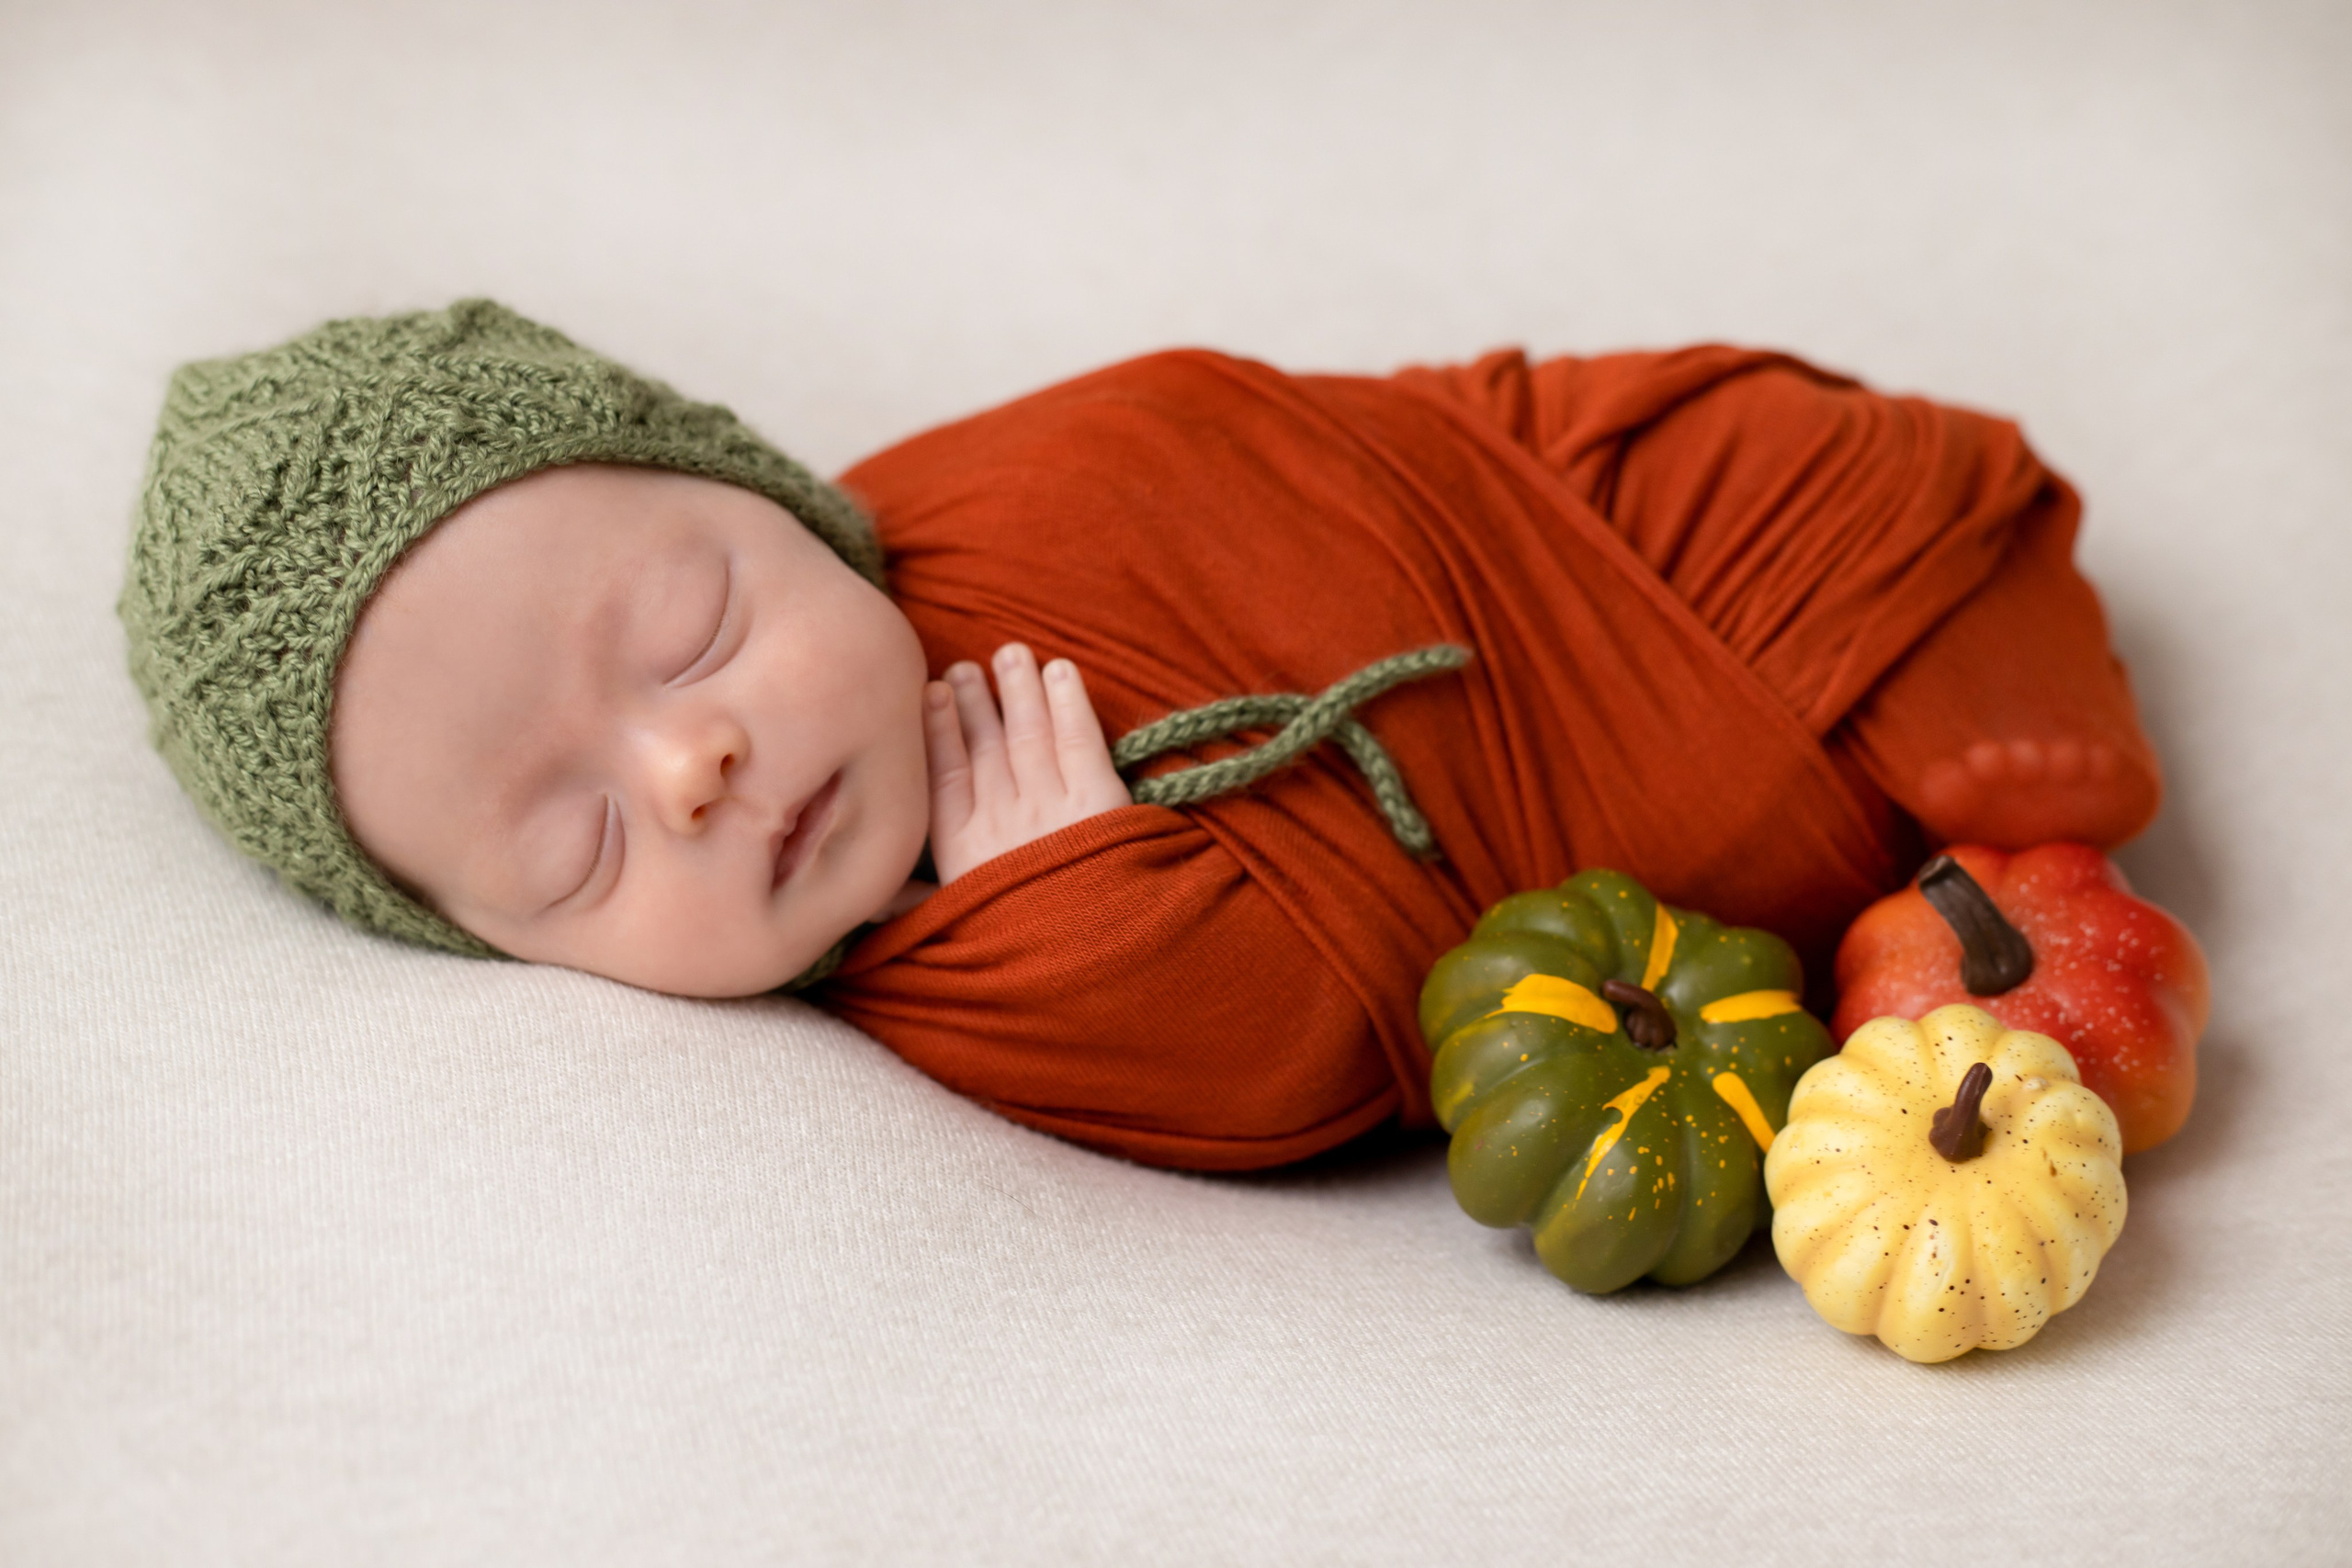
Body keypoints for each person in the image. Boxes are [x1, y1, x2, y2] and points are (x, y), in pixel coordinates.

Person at [122, 300, 2160, 1168]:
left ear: (768, 490)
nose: (691, 767)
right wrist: (1081, 917)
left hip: (1587, 504)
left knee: (1777, 473)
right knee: (1945, 799)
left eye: (694, 624)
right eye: (570, 855)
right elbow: (1315, 1061)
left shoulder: (987, 501)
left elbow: (1283, 440)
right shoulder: (940, 952)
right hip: (1654, 869)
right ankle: (1921, 767)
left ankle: (1943, 608)